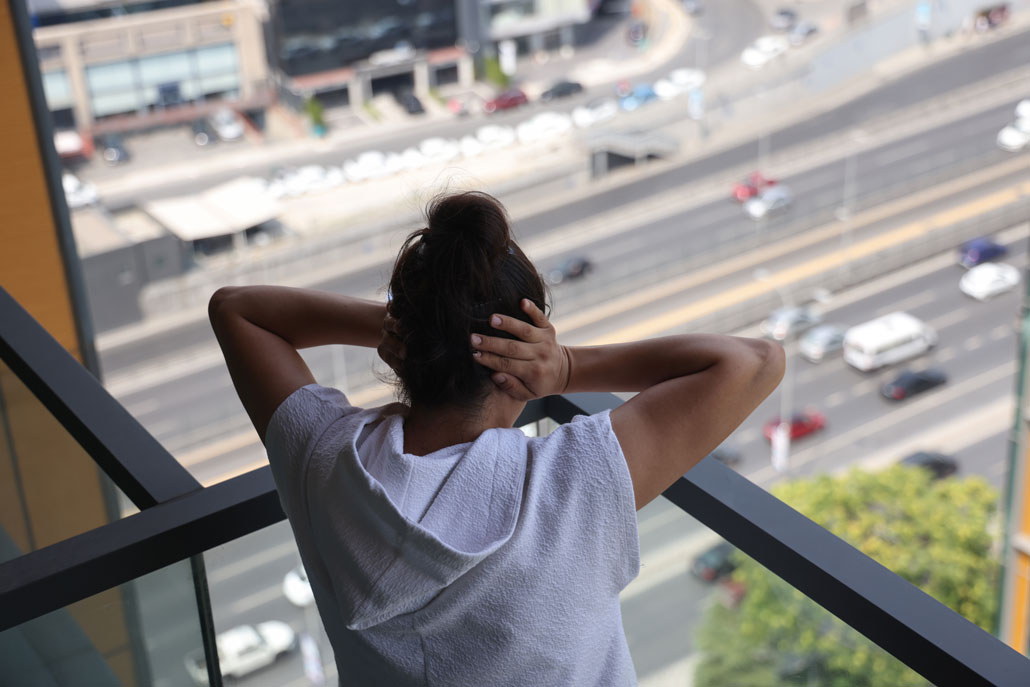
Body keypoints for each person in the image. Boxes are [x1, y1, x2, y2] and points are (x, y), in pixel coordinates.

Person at [209, 191, 784, 685]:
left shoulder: (325, 458)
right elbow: (754, 360)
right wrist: (565, 369)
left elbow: (238, 311)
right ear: (522, 357)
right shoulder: (572, 484)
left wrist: (417, 327)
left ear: (406, 348)